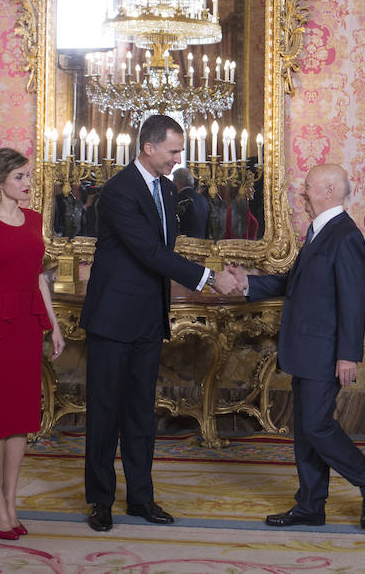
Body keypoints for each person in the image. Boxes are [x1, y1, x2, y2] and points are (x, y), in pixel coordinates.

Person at [80, 115, 238, 532]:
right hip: (112, 319)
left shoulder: (167, 188)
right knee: (104, 414)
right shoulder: (117, 192)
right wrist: (207, 278)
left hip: (149, 319)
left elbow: (167, 250)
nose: (178, 159)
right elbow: (150, 252)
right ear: (149, 148)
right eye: (173, 151)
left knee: (139, 415)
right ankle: (99, 501)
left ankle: (140, 499)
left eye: (179, 151)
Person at [229, 164, 365, 530]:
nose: (301, 195)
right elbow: (293, 283)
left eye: (307, 189)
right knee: (305, 431)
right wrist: (247, 284)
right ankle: (310, 505)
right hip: (305, 349)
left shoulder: (345, 235)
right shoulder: (320, 232)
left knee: (317, 427)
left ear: (329, 191)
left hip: (326, 351)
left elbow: (354, 300)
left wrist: (348, 354)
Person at [0, 148, 66, 540]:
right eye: (20, 176)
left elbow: (38, 277)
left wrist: (53, 325)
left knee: (21, 417)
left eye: (28, 176)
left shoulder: (34, 220)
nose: (28, 183)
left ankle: (9, 499)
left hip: (27, 326)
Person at [173, 166, 210, 239]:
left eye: (173, 180)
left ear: (177, 182)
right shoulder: (203, 199)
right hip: (202, 243)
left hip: (184, 245)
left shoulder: (178, 199)